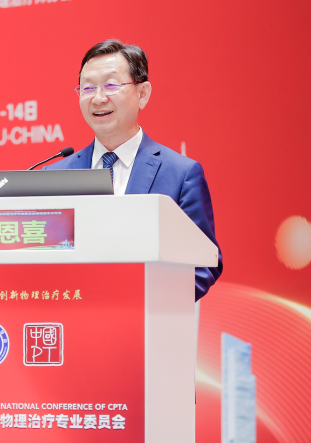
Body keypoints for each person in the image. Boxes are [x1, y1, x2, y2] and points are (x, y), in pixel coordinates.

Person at [44, 39, 222, 300]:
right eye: (88, 88)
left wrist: (140, 301)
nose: (98, 98)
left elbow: (204, 265)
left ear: (142, 93)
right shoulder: (54, 177)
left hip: (146, 316)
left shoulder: (180, 174)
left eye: (111, 85)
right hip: (71, 314)